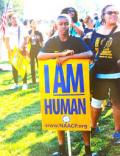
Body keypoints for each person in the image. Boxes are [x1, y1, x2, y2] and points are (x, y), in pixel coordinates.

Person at [38, 14, 98, 156]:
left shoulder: (76, 40)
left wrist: (68, 57)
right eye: (61, 24)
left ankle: (88, 149)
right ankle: (61, 149)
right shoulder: (52, 41)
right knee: (58, 113)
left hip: (77, 84)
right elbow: (39, 56)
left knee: (82, 116)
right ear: (56, 25)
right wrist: (59, 53)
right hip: (58, 84)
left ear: (70, 25)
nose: (64, 26)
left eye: (66, 24)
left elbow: (89, 53)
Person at [90, 5, 120, 144]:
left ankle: (117, 132)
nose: (114, 14)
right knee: (96, 103)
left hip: (117, 75)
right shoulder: (96, 32)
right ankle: (93, 126)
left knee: (117, 103)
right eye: (110, 12)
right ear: (103, 15)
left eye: (116, 12)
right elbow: (91, 51)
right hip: (99, 75)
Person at [5, 14, 28, 90]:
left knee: (23, 67)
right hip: (13, 51)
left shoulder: (22, 28)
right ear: (10, 20)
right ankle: (16, 83)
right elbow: (7, 41)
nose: (14, 19)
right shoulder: (8, 29)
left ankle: (25, 83)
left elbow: (26, 39)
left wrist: (21, 47)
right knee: (14, 67)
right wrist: (9, 50)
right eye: (13, 18)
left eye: (15, 18)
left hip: (21, 50)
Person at [28, 19, 43, 84]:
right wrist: (33, 30)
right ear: (30, 24)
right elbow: (28, 39)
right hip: (31, 50)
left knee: (39, 65)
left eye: (35, 23)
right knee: (32, 65)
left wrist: (42, 49)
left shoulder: (39, 32)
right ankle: (33, 81)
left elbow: (42, 43)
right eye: (32, 23)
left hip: (38, 49)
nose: (34, 24)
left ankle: (41, 79)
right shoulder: (28, 32)